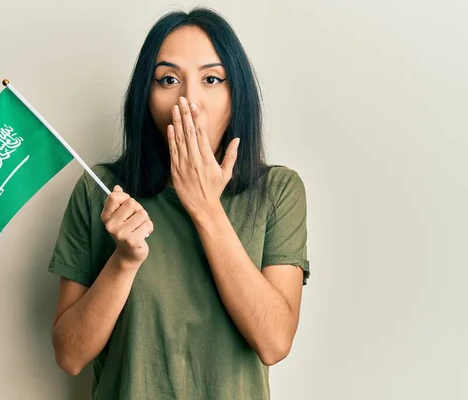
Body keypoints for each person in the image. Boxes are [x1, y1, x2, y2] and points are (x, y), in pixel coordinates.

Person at [48, 7, 310, 400]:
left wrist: (206, 209)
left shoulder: (278, 191)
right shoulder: (101, 190)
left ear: (236, 96)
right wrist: (123, 261)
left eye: (211, 79)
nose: (189, 100)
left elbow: (274, 342)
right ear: (145, 97)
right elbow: (70, 355)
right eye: (168, 79)